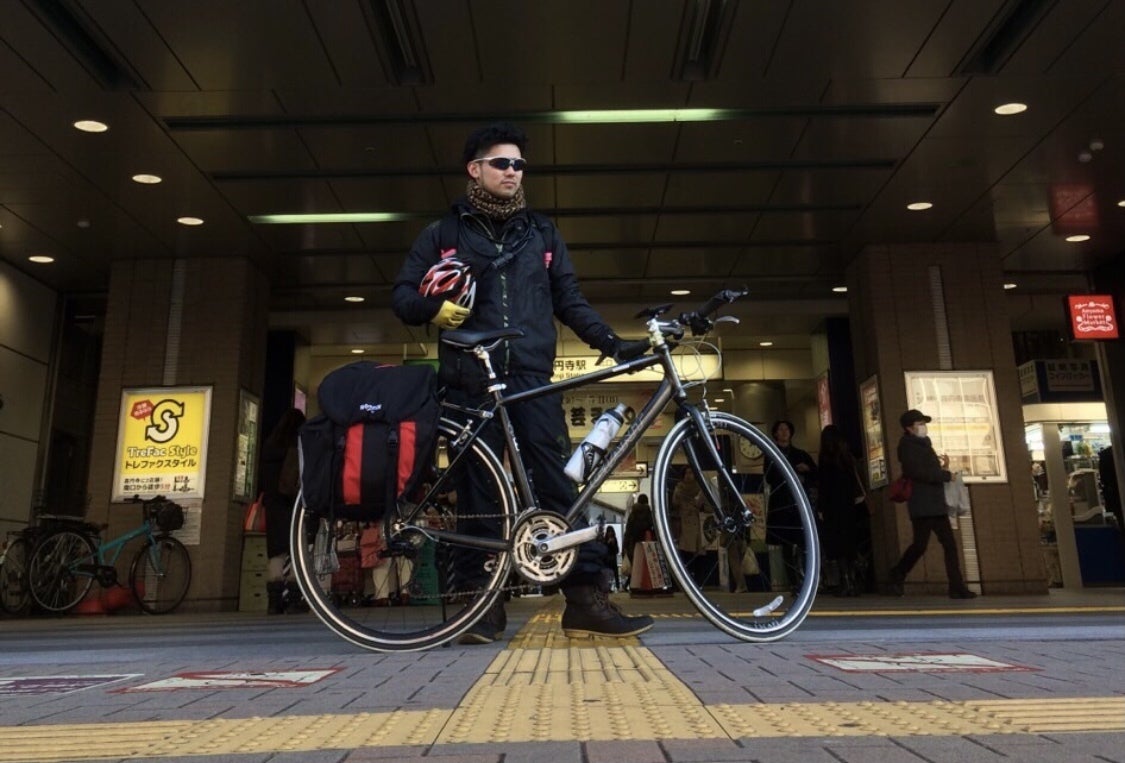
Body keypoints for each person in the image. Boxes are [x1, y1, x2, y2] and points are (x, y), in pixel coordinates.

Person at [391, 122, 653, 644]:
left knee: (558, 488)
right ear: (475, 169)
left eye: (518, 164)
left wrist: (611, 341)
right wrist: (432, 310)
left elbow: (569, 300)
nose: (512, 172)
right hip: (469, 381)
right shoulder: (443, 234)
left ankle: (585, 601)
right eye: (501, 163)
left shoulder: (542, 233)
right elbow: (402, 296)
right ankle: (479, 610)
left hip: (533, 379)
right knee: (480, 496)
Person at [887, 409, 977, 599]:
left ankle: (956, 586)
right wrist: (945, 475)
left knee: (948, 544)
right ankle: (897, 573)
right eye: (919, 424)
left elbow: (928, 470)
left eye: (923, 423)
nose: (923, 427)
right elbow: (917, 472)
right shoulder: (907, 446)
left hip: (935, 503)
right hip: (922, 504)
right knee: (921, 545)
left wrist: (943, 468)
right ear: (909, 428)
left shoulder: (924, 443)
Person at [258, 408, 305, 614]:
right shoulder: (296, 447)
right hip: (294, 506)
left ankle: (274, 601)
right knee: (297, 552)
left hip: (274, 507)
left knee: (276, 553)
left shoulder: (269, 447)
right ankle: (294, 599)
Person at [764, 420, 817, 591]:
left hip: (799, 502)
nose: (784, 432)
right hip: (781, 501)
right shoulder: (771, 453)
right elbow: (768, 477)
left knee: (803, 541)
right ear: (775, 433)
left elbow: (815, 474)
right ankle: (794, 581)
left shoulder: (800, 454)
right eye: (780, 429)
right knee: (786, 544)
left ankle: (806, 578)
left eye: (787, 429)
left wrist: (807, 470)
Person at [817, 425, 866, 596]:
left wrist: (821, 508)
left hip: (832, 508)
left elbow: (823, 486)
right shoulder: (847, 458)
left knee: (837, 547)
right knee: (850, 544)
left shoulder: (825, 459)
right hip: (849, 507)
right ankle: (853, 580)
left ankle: (845, 581)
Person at [602, 523, 621, 592]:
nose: (610, 533)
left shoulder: (614, 539)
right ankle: (608, 587)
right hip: (607, 560)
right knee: (608, 574)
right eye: (609, 532)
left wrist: (613, 544)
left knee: (615, 574)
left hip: (613, 559)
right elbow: (604, 549)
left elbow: (617, 550)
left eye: (611, 532)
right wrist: (608, 543)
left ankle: (618, 587)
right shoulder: (605, 540)